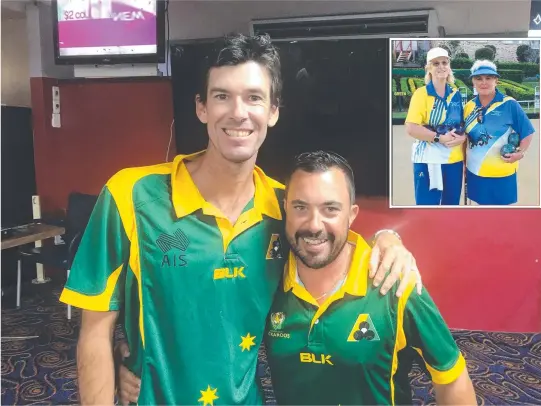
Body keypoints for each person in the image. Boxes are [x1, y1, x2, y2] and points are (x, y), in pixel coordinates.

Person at [59, 34, 421, 405]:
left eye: (253, 97)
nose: (238, 112)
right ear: (201, 108)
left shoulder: (286, 209)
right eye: (221, 96)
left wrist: (387, 237)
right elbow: (94, 333)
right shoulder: (131, 196)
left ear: (273, 110)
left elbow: (336, 245)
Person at [117, 151, 477, 406]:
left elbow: (451, 379)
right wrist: (131, 361)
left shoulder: (393, 281)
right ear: (284, 209)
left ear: (351, 214)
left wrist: (389, 236)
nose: (314, 225)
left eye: (330, 209)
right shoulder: (268, 279)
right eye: (300, 208)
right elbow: (201, 323)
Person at [463, 60, 535, 205]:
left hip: (502, 173)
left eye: (488, 78)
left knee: (502, 218)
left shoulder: (509, 104)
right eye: (479, 78)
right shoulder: (468, 107)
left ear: (496, 80)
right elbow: (465, 140)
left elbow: (527, 132)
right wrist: (464, 165)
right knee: (480, 216)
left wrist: (520, 153)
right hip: (475, 171)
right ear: (473, 82)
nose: (484, 82)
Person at [405, 47, 467, 205]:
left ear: (449, 66)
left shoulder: (456, 93)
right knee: (427, 209)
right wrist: (439, 138)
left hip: (454, 161)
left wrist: (463, 137)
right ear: (429, 68)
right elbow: (411, 128)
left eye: (444, 62)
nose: (441, 66)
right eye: (436, 63)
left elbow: (462, 124)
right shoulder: (421, 94)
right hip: (427, 159)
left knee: (451, 207)